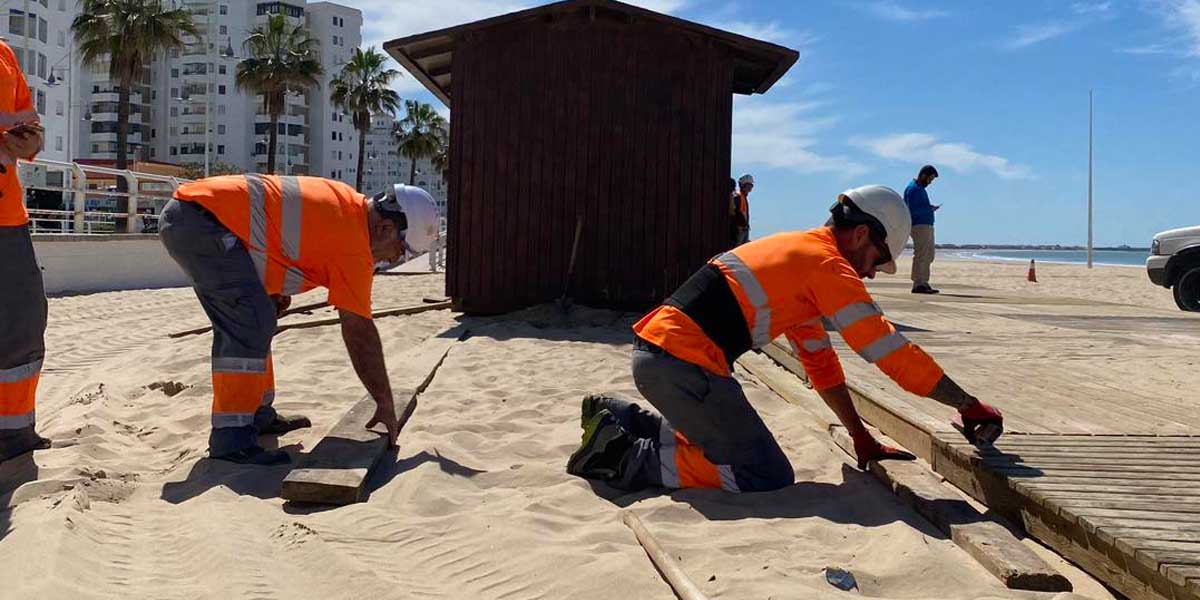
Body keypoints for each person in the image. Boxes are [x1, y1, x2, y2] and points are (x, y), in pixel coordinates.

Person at [566, 185, 1003, 493]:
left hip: (659, 358)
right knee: (762, 472)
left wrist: (860, 435)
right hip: (683, 368)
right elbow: (888, 351)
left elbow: (821, 366)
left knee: (726, 443)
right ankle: (622, 457)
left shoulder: (799, 258)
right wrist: (967, 404)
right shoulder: (828, 266)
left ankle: (618, 418)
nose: (872, 273)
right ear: (860, 235)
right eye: (877, 260)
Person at [159, 176, 439, 465]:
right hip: (199, 222)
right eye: (400, 251)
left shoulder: (346, 206)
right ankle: (232, 439)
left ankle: (257, 415)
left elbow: (279, 232)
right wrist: (384, 402)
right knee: (249, 323)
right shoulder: (353, 244)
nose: (393, 260)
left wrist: (275, 289)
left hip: (197, 217)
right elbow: (359, 331)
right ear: (386, 228)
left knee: (260, 315)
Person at [0, 38, 52, 462]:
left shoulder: (3, 55)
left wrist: (30, 141)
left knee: (21, 325)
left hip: (7, 219)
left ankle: (13, 434)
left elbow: (27, 127)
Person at [905, 165, 940, 294]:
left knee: (929, 254)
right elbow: (912, 208)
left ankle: (923, 282)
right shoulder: (913, 189)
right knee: (921, 254)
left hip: (926, 224)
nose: (930, 182)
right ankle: (918, 283)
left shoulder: (919, 189)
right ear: (923, 176)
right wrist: (929, 209)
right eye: (930, 179)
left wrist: (929, 208)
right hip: (919, 225)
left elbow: (920, 206)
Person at [731, 174, 754, 246]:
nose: (750, 188)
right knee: (737, 248)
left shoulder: (743, 196)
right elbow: (733, 212)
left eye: (751, 185)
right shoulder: (738, 196)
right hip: (739, 229)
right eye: (749, 185)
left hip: (744, 228)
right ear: (743, 185)